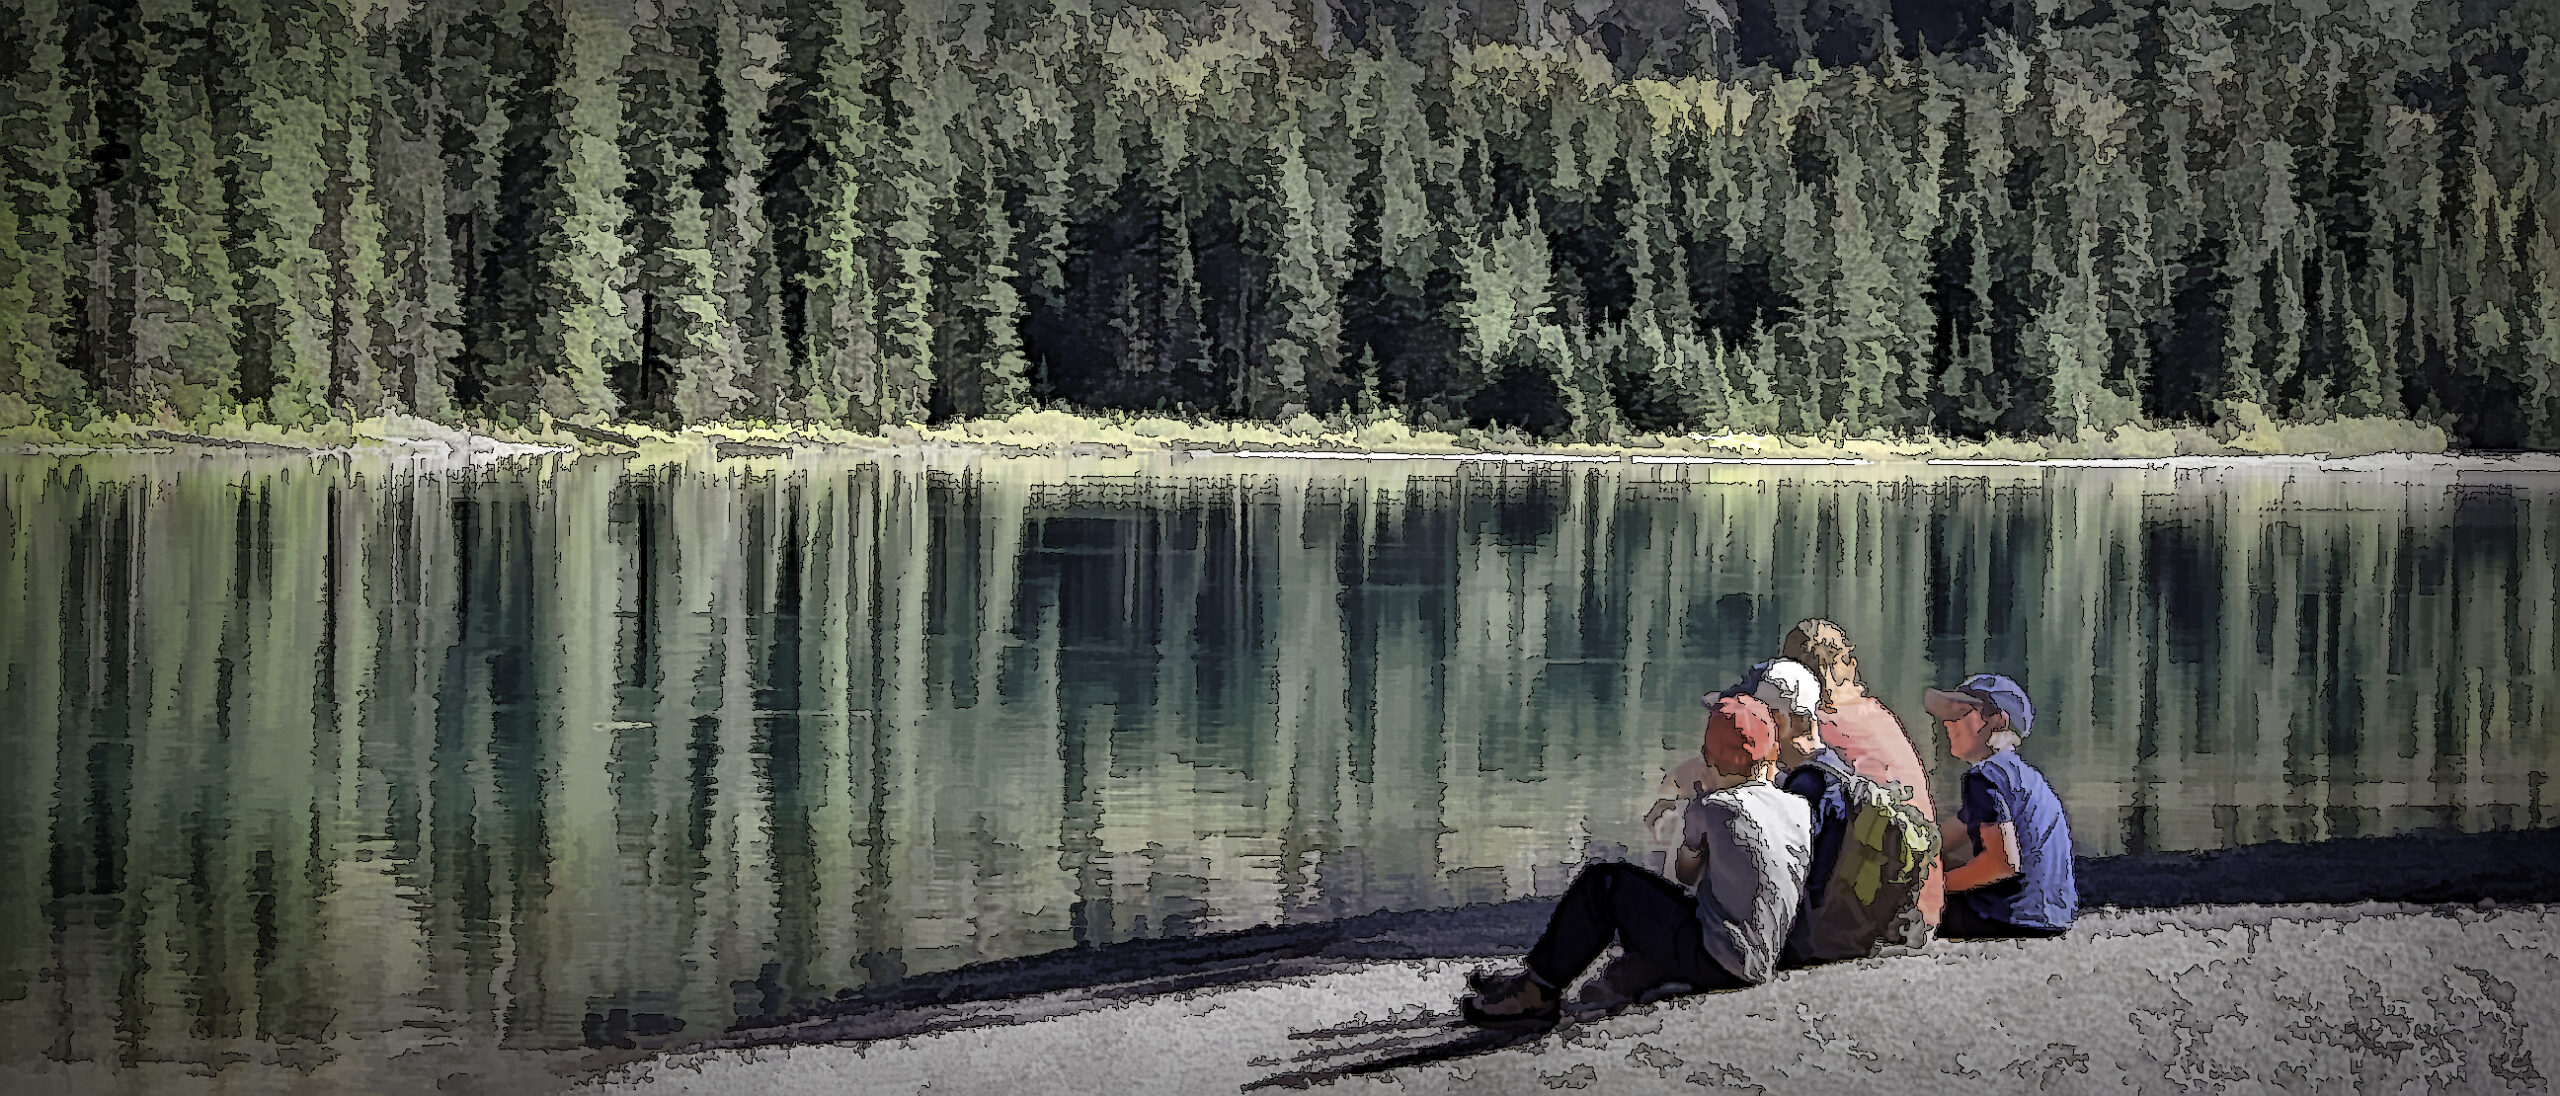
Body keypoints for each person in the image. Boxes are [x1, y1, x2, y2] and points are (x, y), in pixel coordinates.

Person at [1465, 694, 1813, 1024]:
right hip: (1764, 956)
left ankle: (1535, 991)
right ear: (1771, 756)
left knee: (1606, 884)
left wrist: (1697, 812)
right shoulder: (1798, 809)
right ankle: (1571, 975)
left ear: (1709, 759)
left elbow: (1685, 875)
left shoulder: (1713, 808)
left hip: (1719, 960)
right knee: (1677, 908)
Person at [1781, 619, 1944, 928]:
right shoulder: (1879, 716)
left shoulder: (1815, 727)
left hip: (1874, 919)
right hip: (1925, 905)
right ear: (1851, 666)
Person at [1922, 673, 2077, 939]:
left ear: (1998, 721)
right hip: (2055, 914)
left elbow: (2003, 864)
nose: (1948, 723)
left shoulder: (1984, 777)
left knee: (1904, 910)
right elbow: (1941, 840)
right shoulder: (2022, 775)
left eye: (1961, 714)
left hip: (2011, 916)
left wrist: (1935, 886)